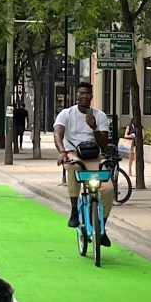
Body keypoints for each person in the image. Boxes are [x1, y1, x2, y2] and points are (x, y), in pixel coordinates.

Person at [53, 82, 113, 245]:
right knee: (73, 166)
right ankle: (74, 209)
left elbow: (104, 144)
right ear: (77, 95)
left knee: (108, 188)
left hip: (94, 155)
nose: (84, 96)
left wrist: (94, 128)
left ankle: (102, 227)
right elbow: (58, 134)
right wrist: (62, 152)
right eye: (81, 93)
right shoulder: (66, 113)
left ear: (92, 96)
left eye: (88, 94)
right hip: (73, 153)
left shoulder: (99, 116)